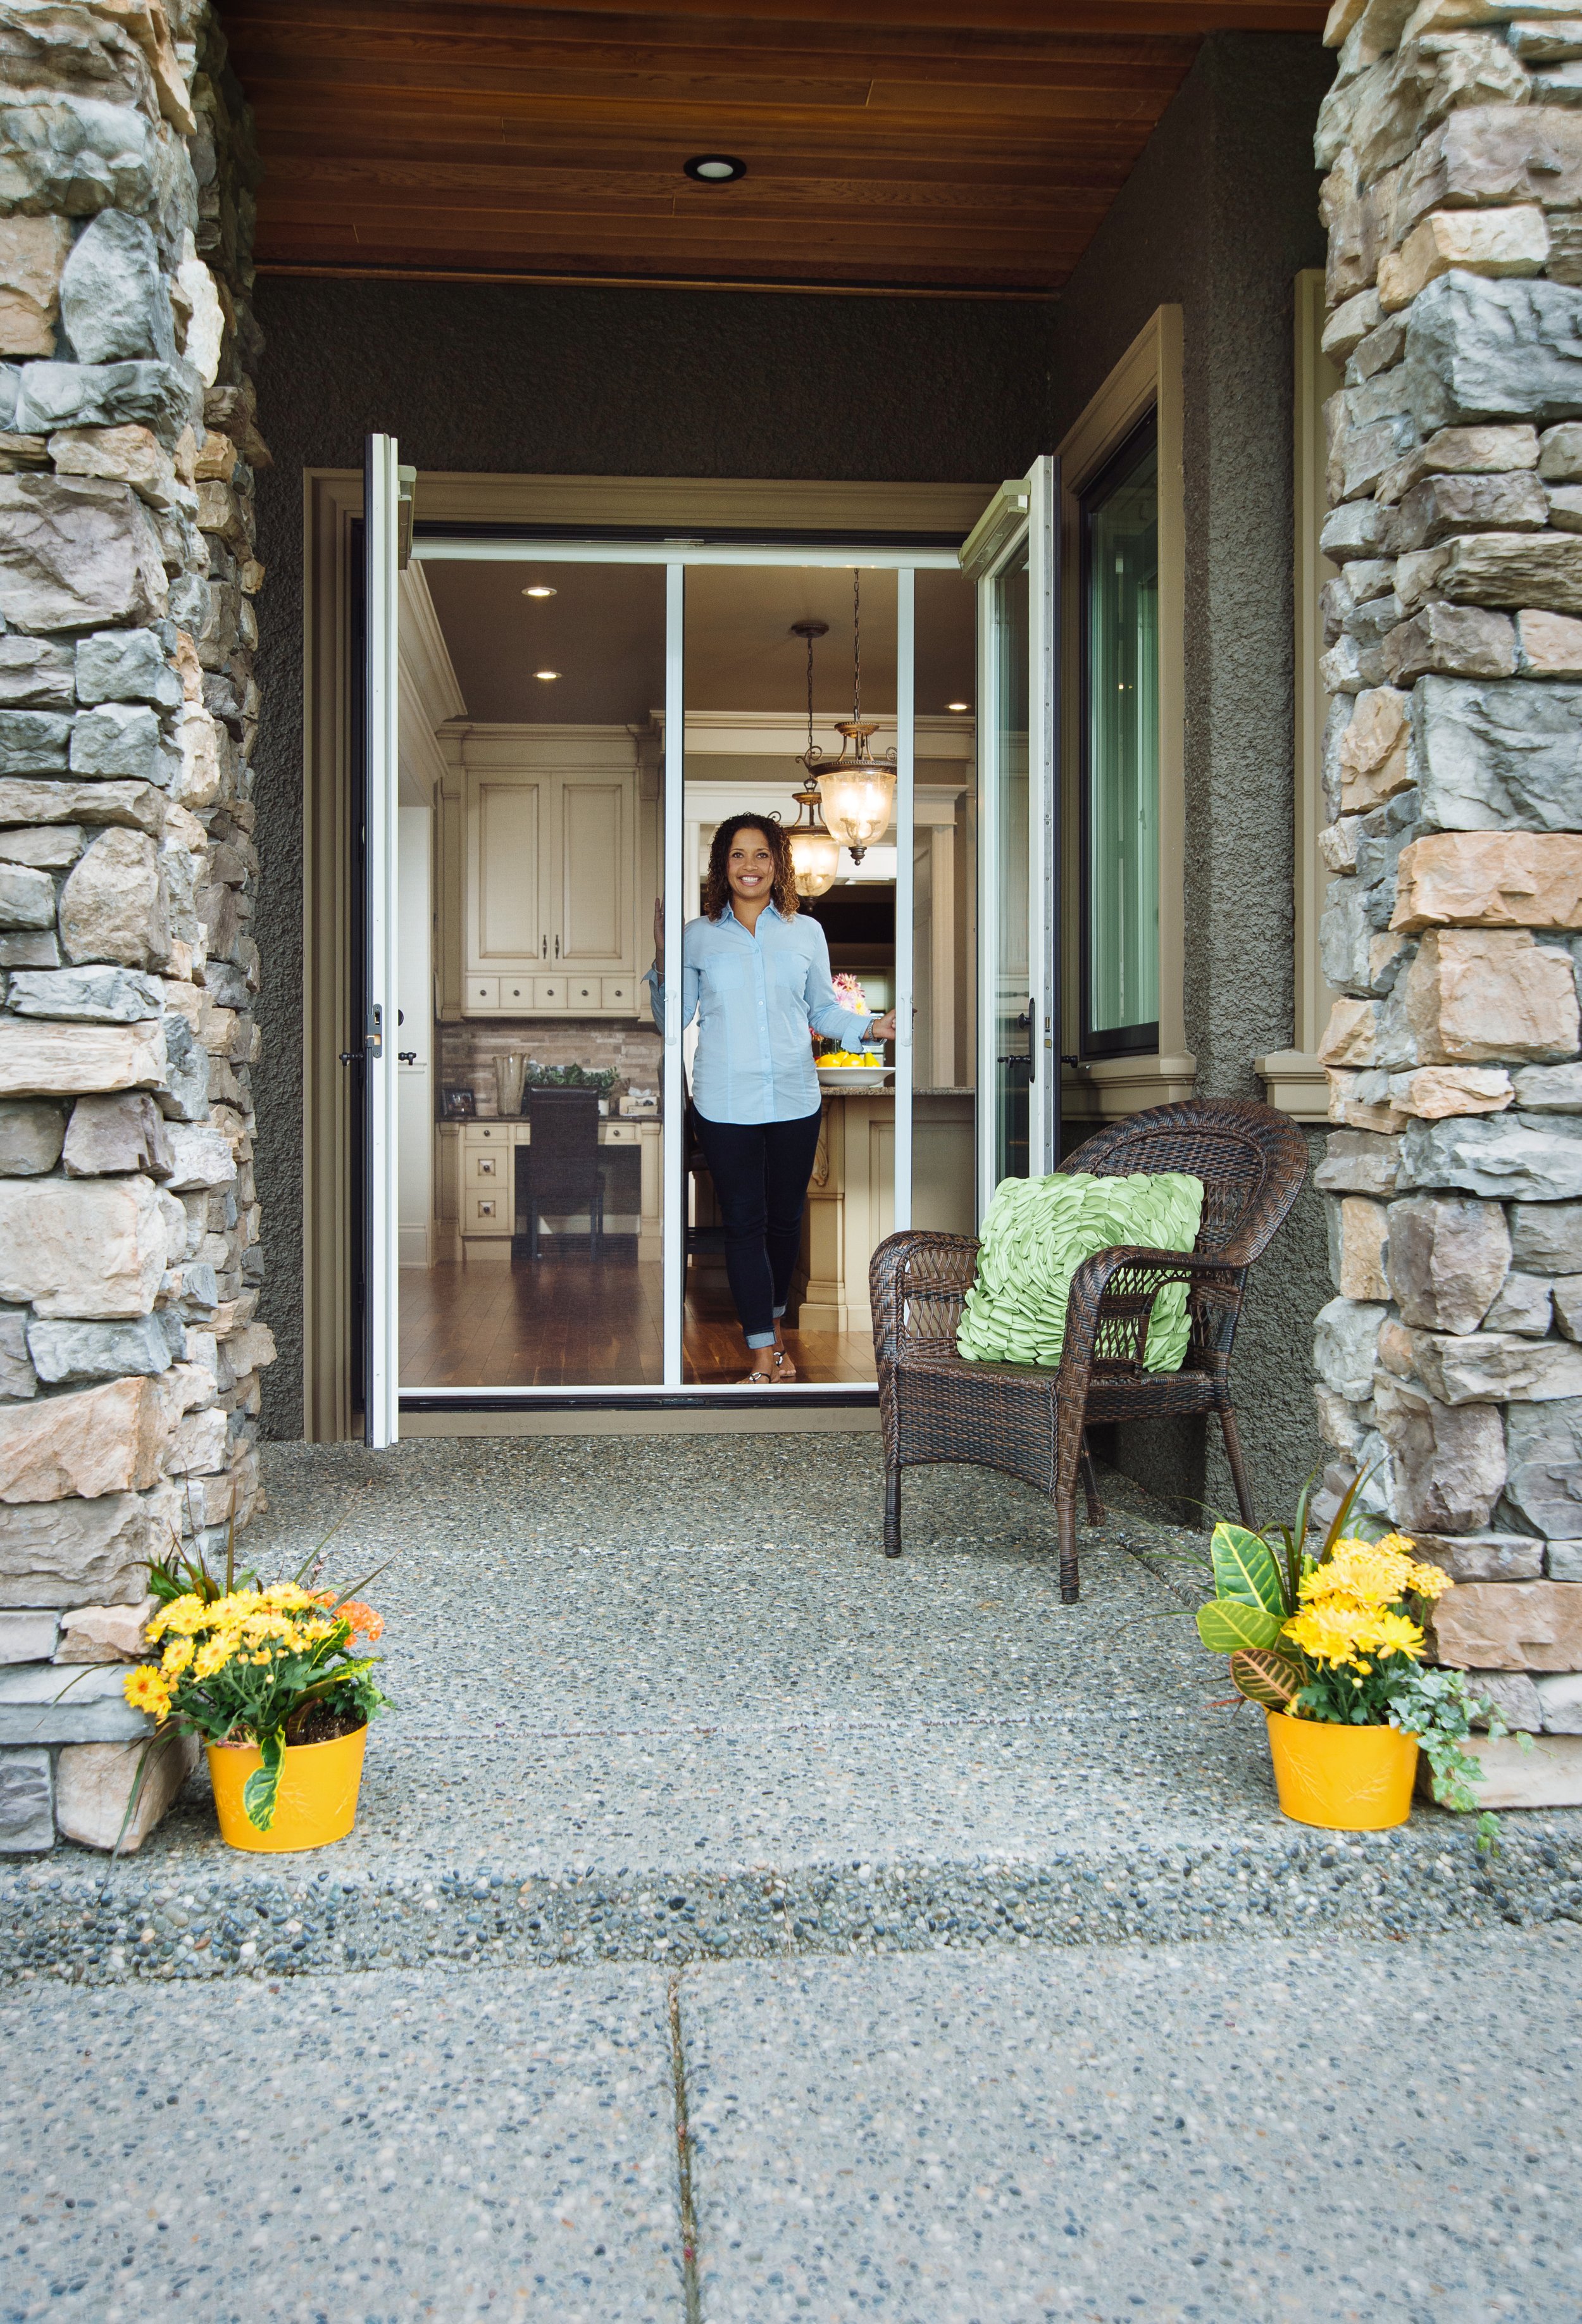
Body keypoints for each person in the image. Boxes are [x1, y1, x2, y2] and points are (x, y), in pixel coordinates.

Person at [647, 816, 896, 1384]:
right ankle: (763, 1354)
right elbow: (673, 1019)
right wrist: (663, 959)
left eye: (761, 855)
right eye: (739, 855)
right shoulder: (698, 936)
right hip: (724, 1101)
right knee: (744, 1224)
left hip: (793, 1096)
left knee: (785, 1225)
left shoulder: (805, 932)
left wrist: (870, 1028)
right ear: (722, 866)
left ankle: (775, 1330)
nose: (751, 866)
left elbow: (821, 1010)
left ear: (777, 865)